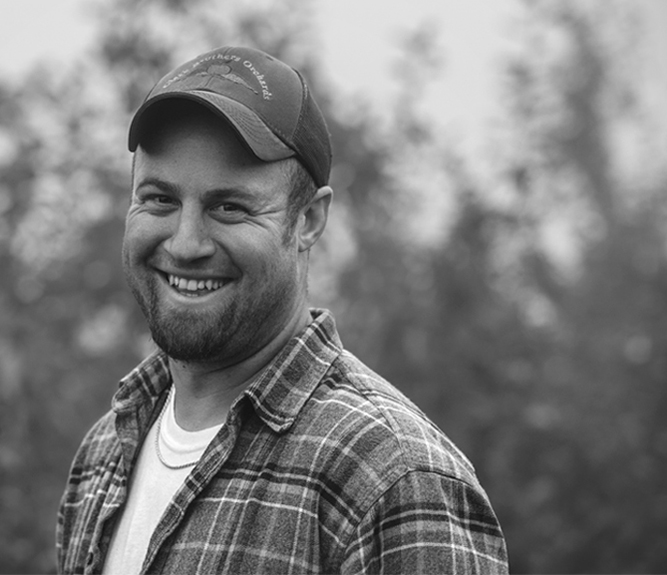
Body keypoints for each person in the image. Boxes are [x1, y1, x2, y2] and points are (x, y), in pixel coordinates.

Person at [57, 47, 508, 574]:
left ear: (309, 220)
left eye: (230, 207)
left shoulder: (393, 479)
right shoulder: (103, 456)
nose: (185, 243)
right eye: (159, 200)